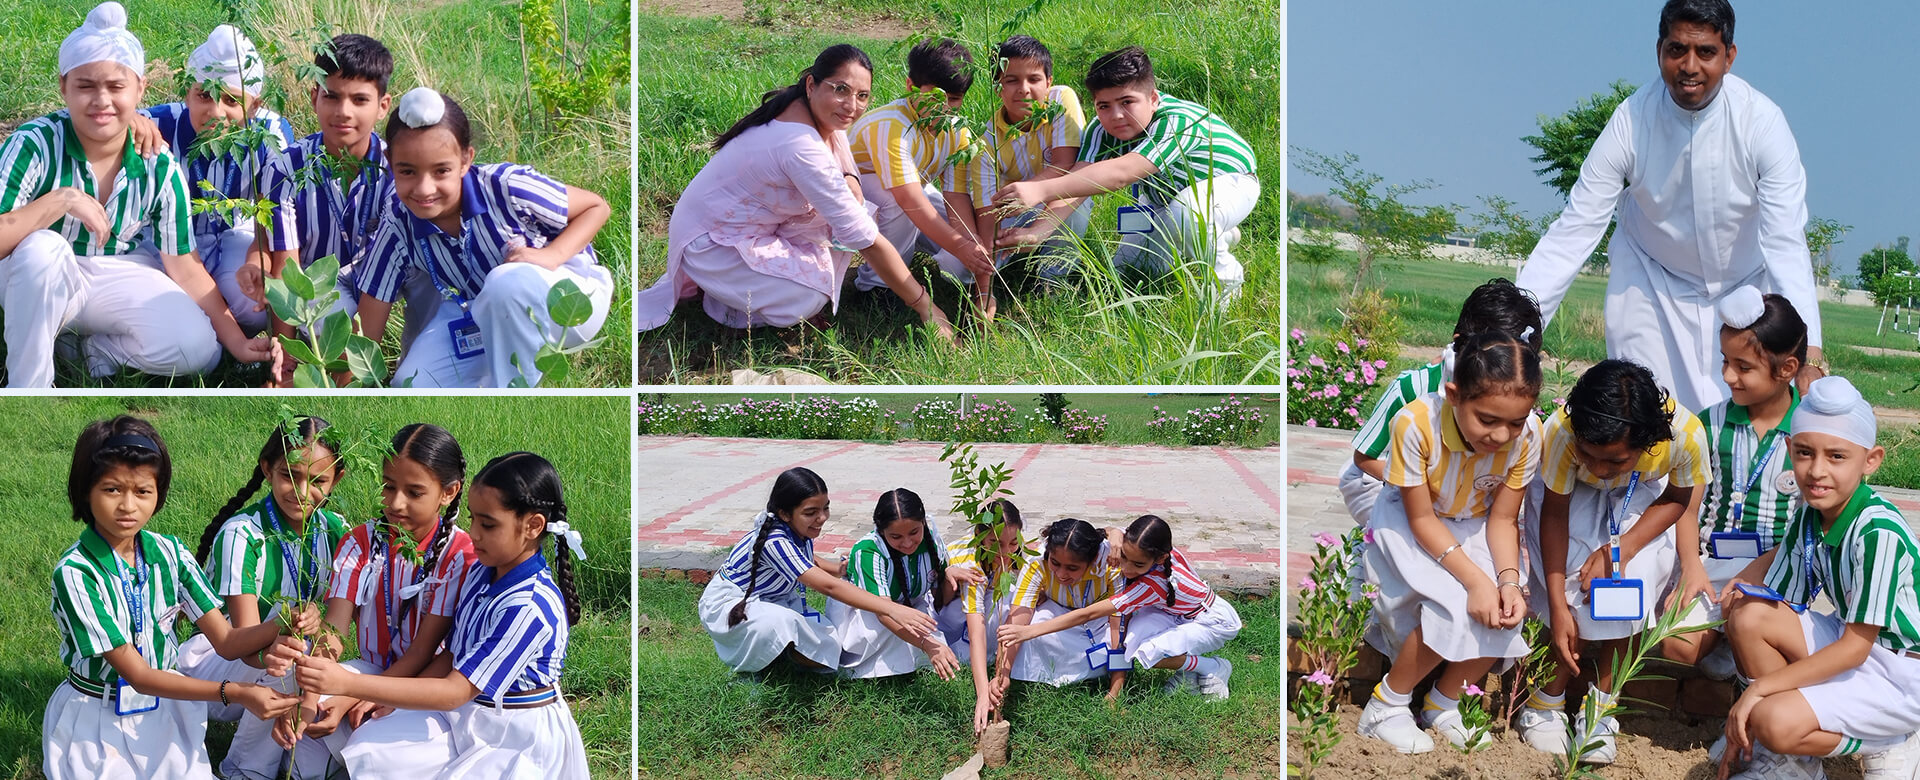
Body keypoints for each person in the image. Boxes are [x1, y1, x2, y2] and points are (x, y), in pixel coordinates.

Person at [1515, 0, 1826, 412]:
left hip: (1742, 289)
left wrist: (1810, 353)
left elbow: (1785, 240)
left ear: (1729, 57)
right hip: (1650, 284)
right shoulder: (1630, 120)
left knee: (1735, 422)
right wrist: (1509, 333)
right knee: (1644, 417)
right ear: (1659, 50)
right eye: (1677, 50)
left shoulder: (1762, 123)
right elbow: (1575, 229)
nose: (1690, 66)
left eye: (1706, 52)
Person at [0, 2, 275, 387]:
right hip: (38, 275)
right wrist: (60, 201)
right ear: (63, 85)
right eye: (85, 86)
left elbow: (185, 267)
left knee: (199, 349)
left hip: (117, 271)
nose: (101, 100)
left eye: (116, 87)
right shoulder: (34, 143)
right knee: (42, 250)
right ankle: (29, 384)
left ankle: (86, 354)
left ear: (139, 89)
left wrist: (237, 340)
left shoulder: (158, 162)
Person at [291, 452, 591, 778]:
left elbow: (454, 692)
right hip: (465, 713)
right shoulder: (482, 571)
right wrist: (393, 699)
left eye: (488, 524)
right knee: (372, 748)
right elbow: (452, 654)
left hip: (513, 737)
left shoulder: (529, 606)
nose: (473, 533)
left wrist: (351, 684)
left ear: (533, 526)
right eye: (474, 519)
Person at [43, 415, 307, 779]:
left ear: (159, 493)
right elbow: (139, 676)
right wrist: (238, 692)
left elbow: (228, 642)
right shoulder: (76, 572)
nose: (128, 506)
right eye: (112, 490)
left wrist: (282, 622)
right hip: (95, 717)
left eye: (142, 491)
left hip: (164, 711)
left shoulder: (172, 554)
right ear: (85, 491)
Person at [635, 44, 956, 341]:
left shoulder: (811, 113)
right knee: (809, 298)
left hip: (746, 227)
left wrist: (852, 184)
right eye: (841, 90)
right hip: (711, 243)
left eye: (862, 95)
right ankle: (727, 304)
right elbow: (867, 241)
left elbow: (846, 166)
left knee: (856, 214)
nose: (852, 106)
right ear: (811, 85)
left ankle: (743, 289)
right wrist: (929, 310)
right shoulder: (801, 146)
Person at [1718, 377, 1920, 779]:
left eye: (1837, 456)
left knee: (1773, 719)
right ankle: (1789, 765)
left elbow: (1854, 651)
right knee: (1749, 614)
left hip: (1901, 670)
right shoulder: (1810, 516)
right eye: (1806, 453)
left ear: (1871, 460)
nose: (1817, 471)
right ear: (1790, 451)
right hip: (1855, 643)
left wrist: (1757, 693)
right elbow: (1778, 605)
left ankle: (1895, 738)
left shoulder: (1877, 530)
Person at [1357, 332, 1542, 754]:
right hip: (1412, 522)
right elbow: (1421, 518)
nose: (1501, 435)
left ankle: (1444, 702)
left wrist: (1507, 581)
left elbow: (1501, 518)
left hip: (1475, 522)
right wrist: (1476, 581)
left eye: (1515, 421)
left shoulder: (1530, 436)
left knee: (1505, 609)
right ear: (1454, 394)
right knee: (1453, 603)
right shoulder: (1415, 424)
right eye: (1488, 420)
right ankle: (1386, 705)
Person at [353, 88, 614, 387]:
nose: (424, 189)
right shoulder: (398, 220)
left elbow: (597, 207)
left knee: (506, 284)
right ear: (390, 162)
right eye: (408, 171)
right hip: (477, 310)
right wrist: (344, 378)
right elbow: (367, 320)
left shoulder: (506, 186)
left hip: (566, 302)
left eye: (441, 171)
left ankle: (513, 395)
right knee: (410, 384)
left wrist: (551, 256)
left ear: (466, 160)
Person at [1515, 359, 1707, 764]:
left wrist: (1622, 550)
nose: (1600, 470)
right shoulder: (1563, 433)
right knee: (1572, 586)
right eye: (1590, 455)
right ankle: (1545, 703)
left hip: (1645, 496)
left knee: (1628, 589)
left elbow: (1676, 499)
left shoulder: (1685, 436)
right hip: (1568, 499)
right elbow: (1554, 514)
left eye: (1615, 461)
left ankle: (1600, 710)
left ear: (1649, 441)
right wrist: (1556, 604)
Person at [992, 46, 1259, 305]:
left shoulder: (1177, 119)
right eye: (1104, 106)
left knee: (1187, 214)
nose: (1116, 115)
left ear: (1153, 98)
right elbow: (1078, 182)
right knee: (1130, 271)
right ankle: (1217, 234)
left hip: (1231, 185)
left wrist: (1040, 190)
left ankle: (1226, 281)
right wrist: (1039, 232)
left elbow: (1123, 172)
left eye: (1127, 102)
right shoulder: (1100, 129)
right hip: (1160, 201)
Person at [178, 416, 350, 780]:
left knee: (307, 663)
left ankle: (297, 754)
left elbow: (337, 629)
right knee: (287, 656)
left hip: (289, 658)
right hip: (217, 665)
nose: (302, 492)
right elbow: (238, 643)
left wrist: (315, 667)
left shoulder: (336, 530)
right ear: (267, 469)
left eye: (317, 481)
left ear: (337, 480)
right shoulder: (243, 534)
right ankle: (244, 769)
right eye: (290, 475)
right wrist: (286, 630)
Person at [1660, 287, 1806, 682]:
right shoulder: (1710, 424)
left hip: (1779, 568)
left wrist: (1762, 571)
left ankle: (1739, 648)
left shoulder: (1810, 433)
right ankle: (1719, 643)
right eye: (1725, 362)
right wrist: (1692, 567)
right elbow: (1687, 508)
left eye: (1743, 367)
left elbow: (1813, 524)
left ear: (1787, 369)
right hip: (1714, 563)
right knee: (1676, 646)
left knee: (1754, 629)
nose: (1728, 376)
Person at [698, 467, 937, 677]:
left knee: (831, 647)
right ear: (784, 513)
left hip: (776, 599)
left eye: (825, 508)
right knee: (778, 623)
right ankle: (749, 672)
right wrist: (893, 608)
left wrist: (837, 568)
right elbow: (828, 587)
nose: (821, 518)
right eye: (811, 512)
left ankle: (782, 661)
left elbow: (807, 559)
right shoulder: (774, 541)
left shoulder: (796, 530)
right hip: (734, 603)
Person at [143, 24, 295, 335]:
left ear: (254, 105)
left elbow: (274, 213)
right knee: (162, 305)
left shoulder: (271, 134)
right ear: (187, 91)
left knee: (253, 307)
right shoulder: (156, 124)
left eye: (231, 100)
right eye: (204, 95)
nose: (215, 111)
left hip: (232, 234)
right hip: (165, 246)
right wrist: (128, 120)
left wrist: (258, 260)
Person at [847, 38, 995, 300]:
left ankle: (906, 250)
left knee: (963, 265)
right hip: (854, 198)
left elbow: (956, 195)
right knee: (897, 201)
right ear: (910, 87)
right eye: (935, 96)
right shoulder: (892, 126)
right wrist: (960, 245)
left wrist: (970, 247)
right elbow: (909, 199)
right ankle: (878, 285)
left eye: (954, 98)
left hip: (910, 192)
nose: (944, 107)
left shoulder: (957, 130)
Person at [955, 35, 1089, 307]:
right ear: (997, 88)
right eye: (1011, 80)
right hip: (1012, 210)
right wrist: (986, 283)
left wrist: (1031, 192)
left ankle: (1053, 279)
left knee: (1078, 198)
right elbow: (986, 210)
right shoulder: (986, 141)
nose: (1024, 89)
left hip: (1059, 197)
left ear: (1049, 82)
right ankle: (1004, 270)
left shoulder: (1061, 101)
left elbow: (1065, 164)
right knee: (957, 271)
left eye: (1034, 79)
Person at [828, 488, 962, 679]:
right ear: (882, 531)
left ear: (923, 522)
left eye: (914, 532)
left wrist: (949, 575)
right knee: (892, 629)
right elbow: (883, 612)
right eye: (896, 537)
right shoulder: (869, 551)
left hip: (908, 607)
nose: (907, 543)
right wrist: (928, 645)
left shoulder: (931, 539)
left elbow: (938, 597)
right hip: (872, 614)